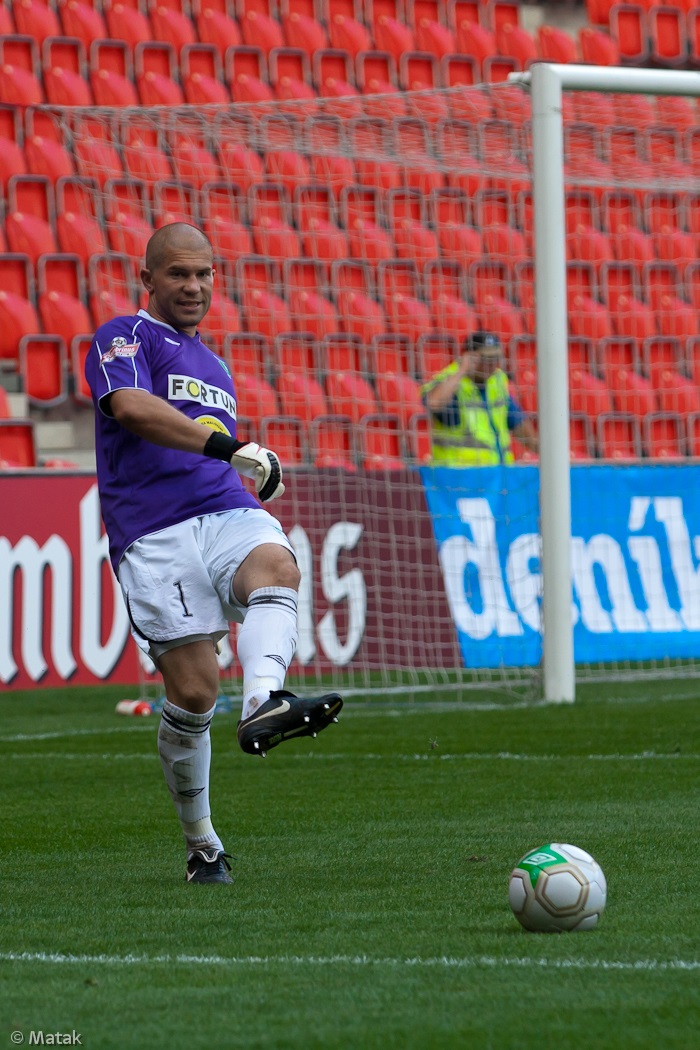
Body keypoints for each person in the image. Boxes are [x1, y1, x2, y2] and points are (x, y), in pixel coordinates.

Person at [85, 222, 342, 885]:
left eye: (204, 274)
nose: (194, 286)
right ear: (149, 280)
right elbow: (133, 409)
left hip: (224, 508)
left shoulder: (217, 366)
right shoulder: (124, 336)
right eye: (178, 274)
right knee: (195, 694)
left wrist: (251, 470)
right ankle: (203, 846)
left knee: (278, 569)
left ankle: (262, 702)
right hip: (152, 529)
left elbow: (215, 450)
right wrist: (232, 448)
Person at [421, 331, 538, 465]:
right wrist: (462, 370)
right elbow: (434, 403)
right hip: (458, 478)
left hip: (495, 476)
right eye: (486, 359)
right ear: (469, 358)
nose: (492, 365)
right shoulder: (451, 382)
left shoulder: (496, 382)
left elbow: (521, 428)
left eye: (495, 359)